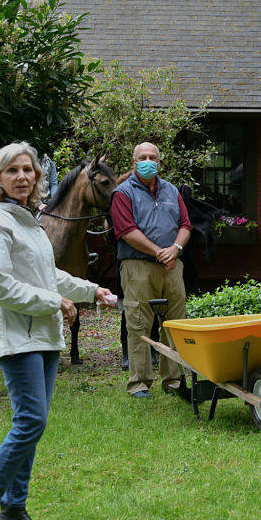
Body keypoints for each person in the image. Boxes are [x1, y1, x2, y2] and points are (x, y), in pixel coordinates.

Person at [0, 142, 115, 520]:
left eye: (28, 170)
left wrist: (90, 289)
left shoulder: (29, 220)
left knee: (33, 425)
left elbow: (49, 275)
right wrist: (54, 302)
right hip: (17, 335)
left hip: (43, 334)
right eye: (12, 171)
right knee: (30, 422)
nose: (23, 177)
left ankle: (14, 509)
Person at [109, 142, 192, 398]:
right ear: (134, 162)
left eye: (152, 157)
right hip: (138, 266)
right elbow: (126, 231)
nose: (148, 161)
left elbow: (185, 224)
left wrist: (175, 249)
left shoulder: (171, 191)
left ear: (159, 161)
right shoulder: (122, 193)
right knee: (139, 322)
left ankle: (174, 380)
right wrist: (159, 251)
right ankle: (139, 383)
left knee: (175, 323)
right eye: (142, 157)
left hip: (171, 266)